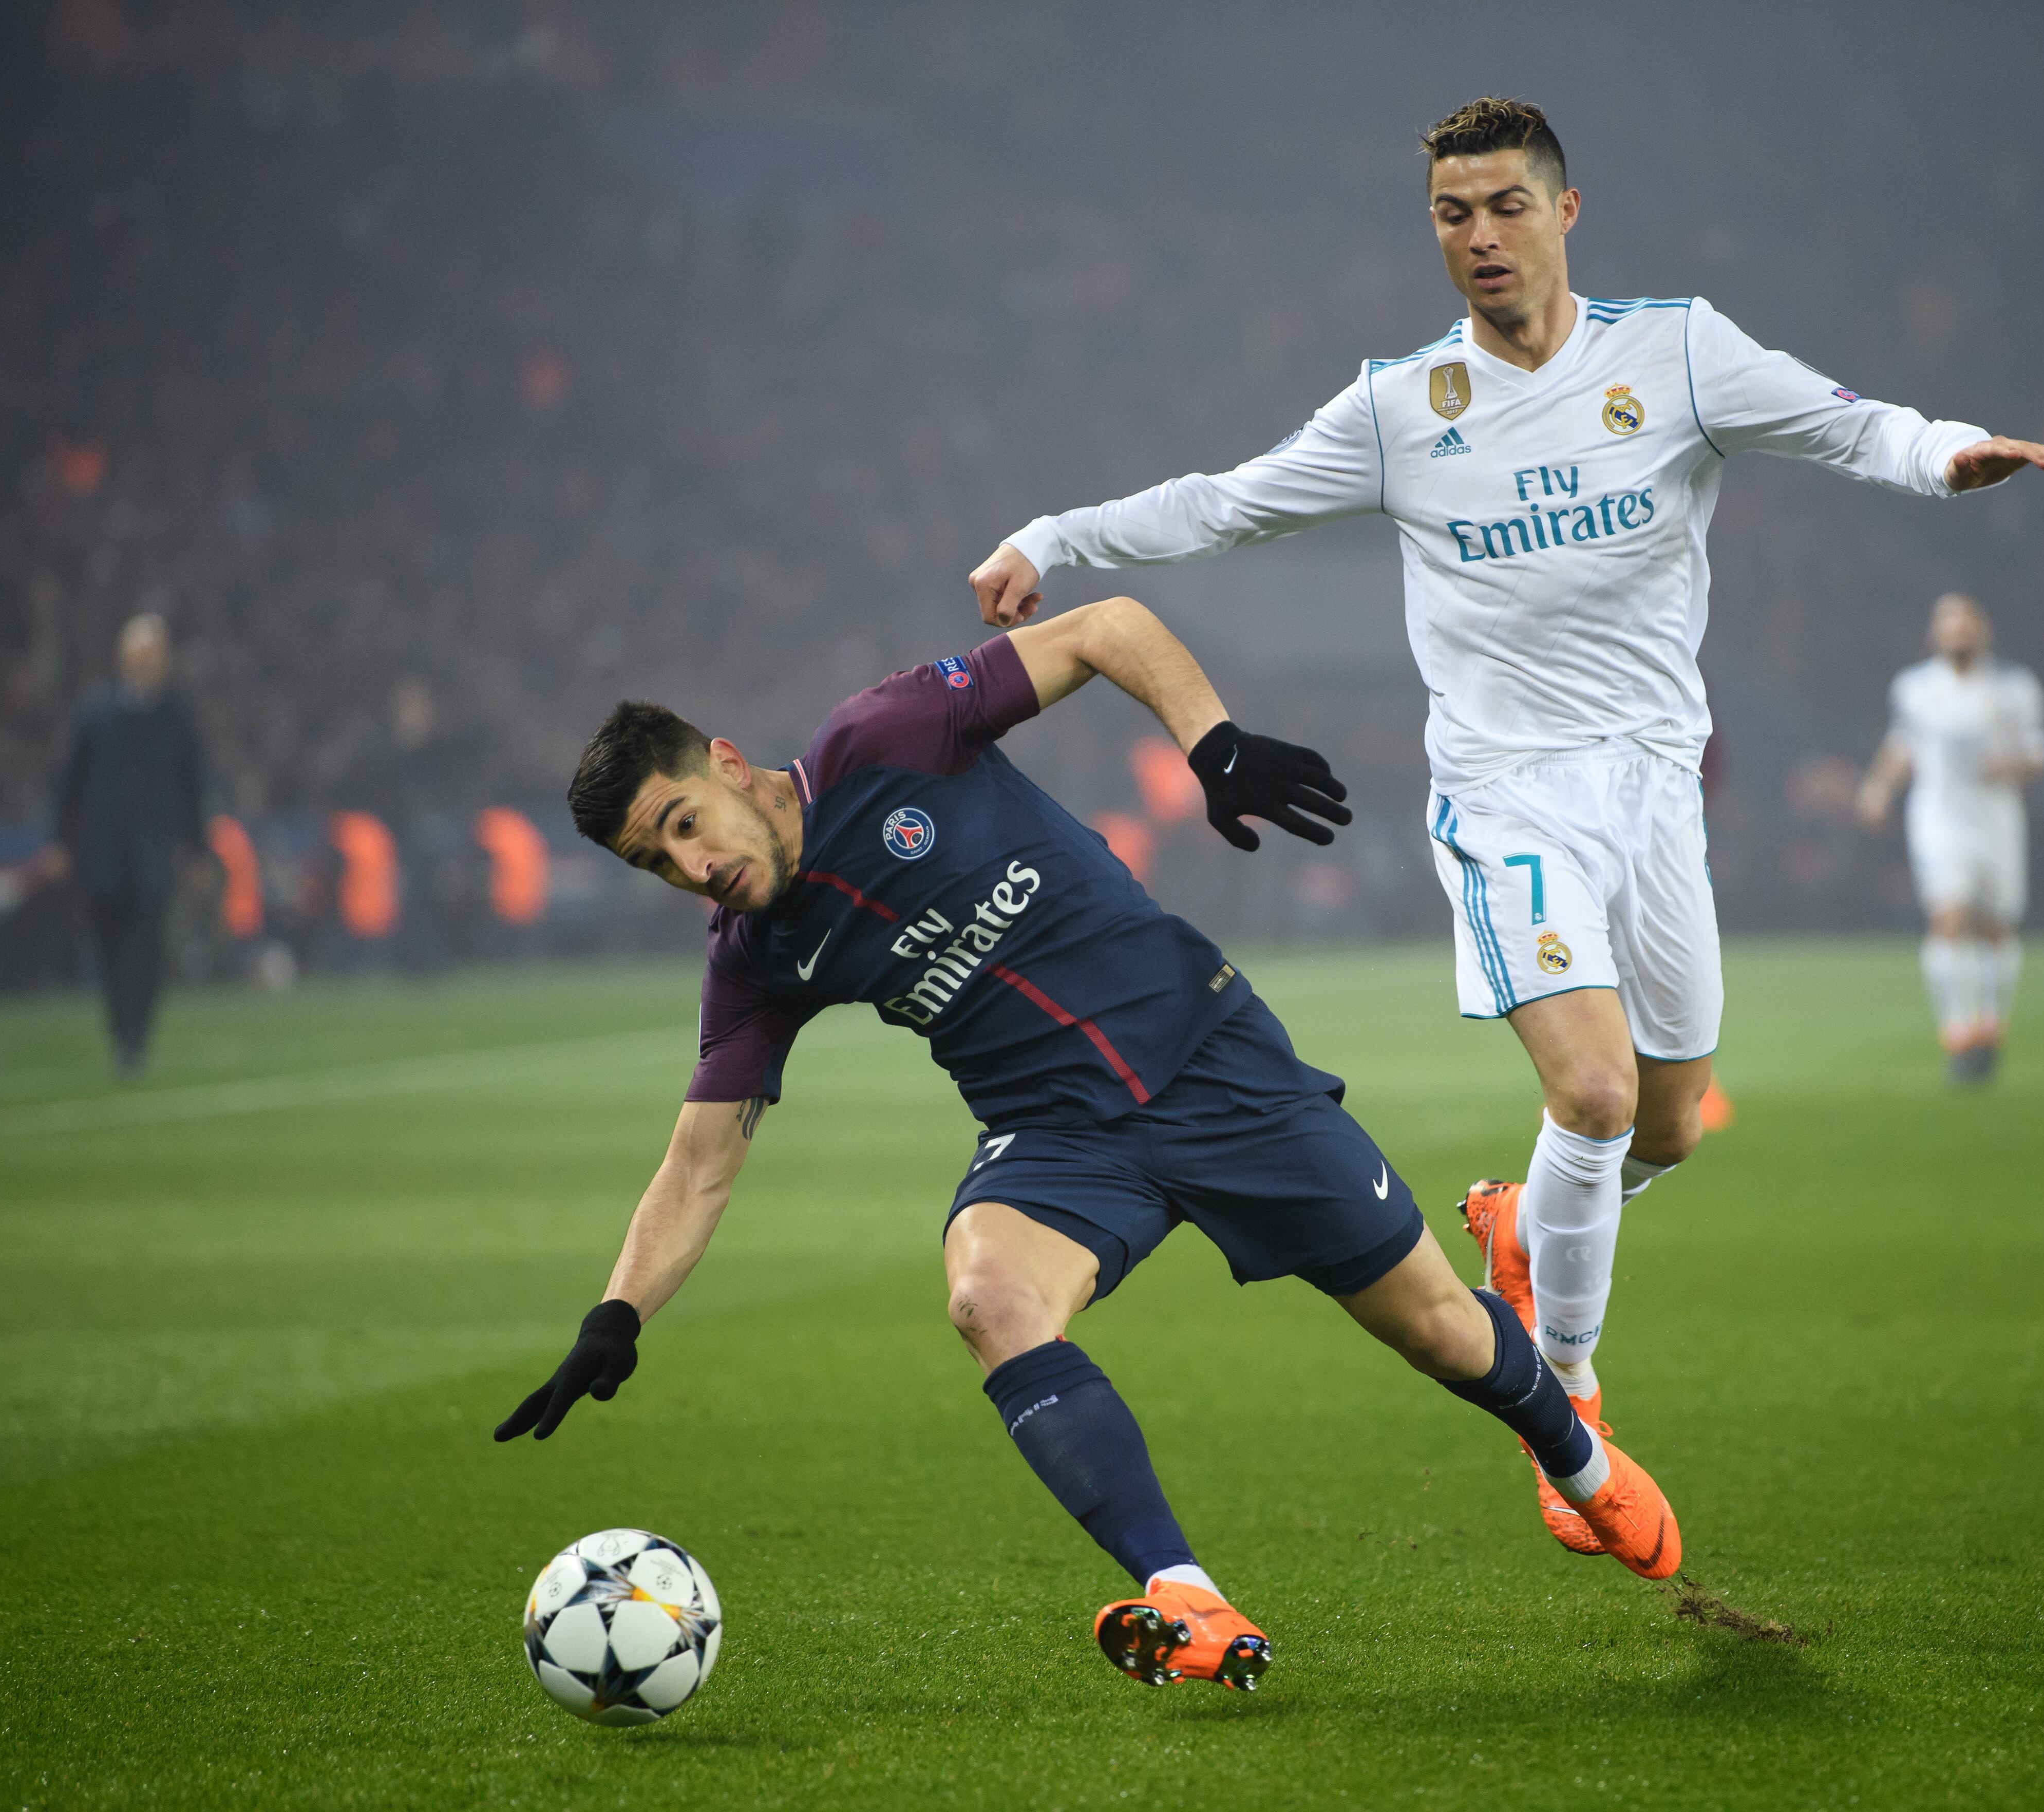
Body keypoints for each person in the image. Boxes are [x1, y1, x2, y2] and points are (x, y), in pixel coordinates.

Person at [964, 97, 2044, 1550]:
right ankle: (1566, 1409)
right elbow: (1224, 505)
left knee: (1664, 1127)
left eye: (1502, 206)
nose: (1477, 236)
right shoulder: (1399, 407)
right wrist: (1053, 536)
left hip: (1655, 789)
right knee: (1593, 1096)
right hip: (1505, 794)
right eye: (1450, 213)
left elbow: (1842, 422)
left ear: (1563, 211)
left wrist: (1943, 453)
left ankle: (1522, 1231)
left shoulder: (1675, 353)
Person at [495, 598, 1681, 1695]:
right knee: (988, 1298)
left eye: (684, 826)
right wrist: (616, 1314)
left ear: (727, 766)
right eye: (657, 863)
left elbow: (1104, 627)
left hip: (1214, 1067)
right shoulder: (755, 959)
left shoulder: (885, 738)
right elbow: (699, 1163)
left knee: (1435, 1331)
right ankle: (1185, 1595)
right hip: (1056, 1137)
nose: (695, 868)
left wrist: (1213, 745)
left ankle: (1571, 1453)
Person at [1854, 594, 2044, 1083]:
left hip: (1996, 817)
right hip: (1938, 818)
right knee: (1947, 917)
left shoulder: (2013, 686)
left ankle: (1990, 1025)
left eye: (1965, 623)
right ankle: (1956, 1032)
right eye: (1948, 623)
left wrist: (2009, 766)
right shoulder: (1915, 687)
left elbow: (2039, 752)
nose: (1957, 631)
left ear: (1982, 631)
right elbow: (1903, 744)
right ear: (1934, 633)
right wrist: (1879, 787)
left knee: (1995, 927)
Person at [52, 613, 206, 1078]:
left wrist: (197, 849)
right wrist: (60, 841)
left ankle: (135, 1039)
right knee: (108, 945)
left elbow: (192, 787)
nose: (145, 660)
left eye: (153, 652)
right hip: (103, 853)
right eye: (139, 651)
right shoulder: (97, 711)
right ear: (123, 656)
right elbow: (69, 781)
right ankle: (121, 1031)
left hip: (153, 853)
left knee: (146, 946)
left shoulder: (176, 715)